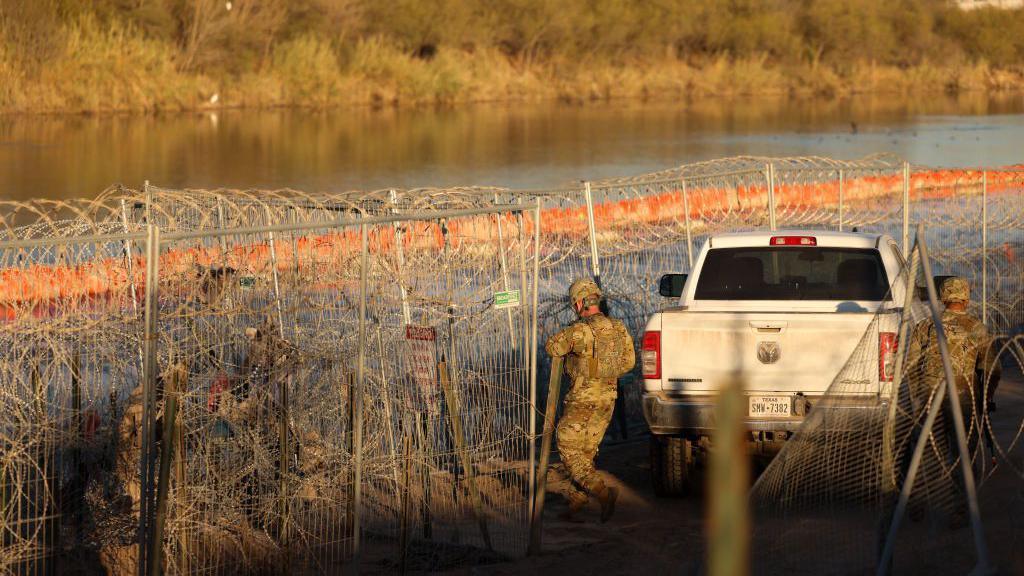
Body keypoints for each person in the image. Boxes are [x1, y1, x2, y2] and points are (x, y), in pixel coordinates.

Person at [545, 278, 635, 522]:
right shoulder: (618, 327)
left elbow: (552, 347)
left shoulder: (579, 331)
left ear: (580, 303)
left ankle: (602, 493)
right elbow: (629, 363)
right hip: (607, 399)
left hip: (582, 399)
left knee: (566, 444)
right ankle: (578, 498)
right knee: (585, 451)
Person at [905, 276, 1001, 476]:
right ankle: (963, 499)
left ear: (943, 298)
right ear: (966, 299)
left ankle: (926, 495)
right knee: (964, 451)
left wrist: (917, 394)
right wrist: (986, 394)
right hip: (964, 395)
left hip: (930, 395)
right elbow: (992, 368)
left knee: (929, 451)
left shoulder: (926, 326)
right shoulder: (976, 328)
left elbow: (912, 365)